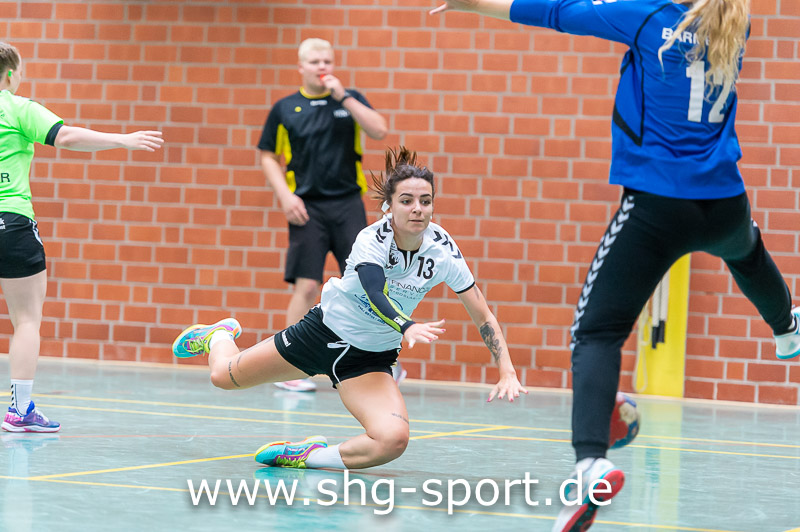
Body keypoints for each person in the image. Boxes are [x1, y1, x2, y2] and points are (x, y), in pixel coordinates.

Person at [429, 1, 799, 530]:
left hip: (657, 205)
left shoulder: (647, 17)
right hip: (725, 203)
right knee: (747, 252)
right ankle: (786, 328)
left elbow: (552, 11)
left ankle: (590, 466)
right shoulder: (733, 22)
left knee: (596, 332)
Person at [173, 147, 527, 470]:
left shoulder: (443, 250)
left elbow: (483, 314)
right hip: (321, 335)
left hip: (368, 360)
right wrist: (406, 326)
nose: (417, 208)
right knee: (223, 377)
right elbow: (375, 292)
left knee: (392, 440)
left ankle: (307, 456)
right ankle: (219, 336)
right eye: (406, 200)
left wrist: (507, 370)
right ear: (389, 206)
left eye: (426, 200)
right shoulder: (371, 239)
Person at [0, 42, 164, 433]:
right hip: (11, 221)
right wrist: (122, 140)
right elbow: (67, 137)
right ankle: (20, 411)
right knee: (26, 320)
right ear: (10, 74)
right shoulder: (17, 107)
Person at [258, 38, 388, 392]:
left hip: (348, 205)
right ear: (301, 67)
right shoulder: (286, 108)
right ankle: (288, 369)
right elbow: (267, 155)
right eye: (315, 62)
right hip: (306, 207)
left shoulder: (350, 99)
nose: (322, 67)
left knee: (367, 284)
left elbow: (379, 130)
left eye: (327, 61)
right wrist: (285, 196)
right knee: (307, 286)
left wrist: (344, 97)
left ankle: (381, 363)